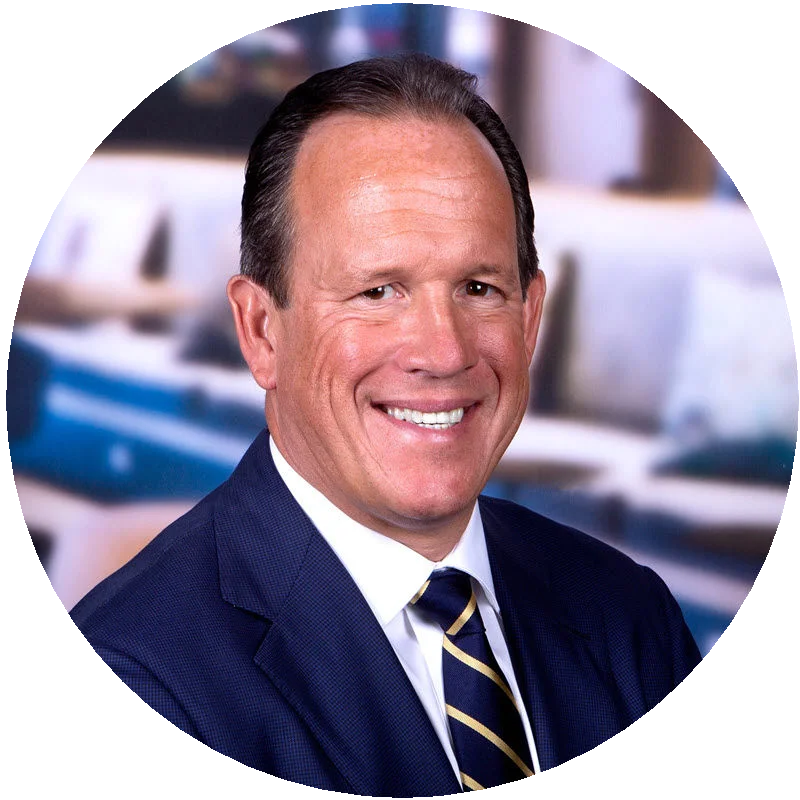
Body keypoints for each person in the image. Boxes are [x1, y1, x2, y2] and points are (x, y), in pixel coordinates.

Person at [72, 54, 701, 795]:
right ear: (261, 330)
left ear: (531, 319)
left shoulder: (631, 616)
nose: (444, 351)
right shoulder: (138, 684)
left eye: (479, 288)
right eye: (378, 291)